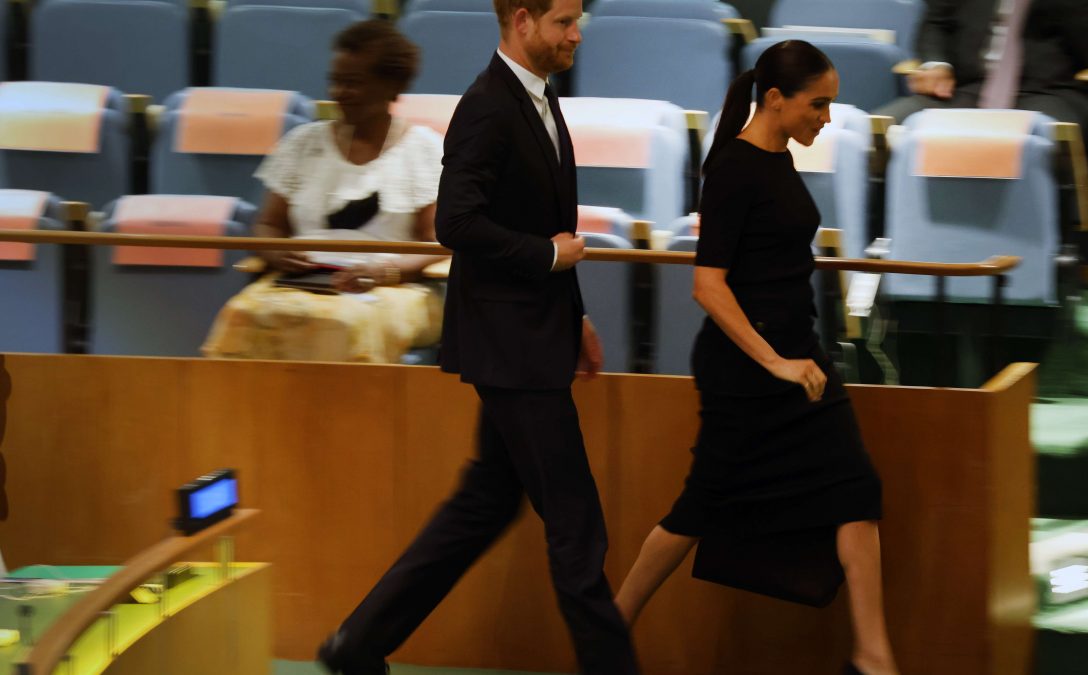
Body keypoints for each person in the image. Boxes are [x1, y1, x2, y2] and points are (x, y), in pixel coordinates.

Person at [315, 0, 639, 672]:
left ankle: (357, 644)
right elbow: (456, 225)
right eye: (564, 21)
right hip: (511, 347)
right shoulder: (488, 105)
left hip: (532, 336)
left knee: (484, 504)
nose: (577, 33)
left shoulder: (539, 99)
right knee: (576, 526)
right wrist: (548, 261)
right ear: (522, 21)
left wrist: (572, 313)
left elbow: (550, 224)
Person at [613, 41, 899, 675]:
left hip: (801, 358)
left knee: (856, 490)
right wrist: (774, 363)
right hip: (749, 372)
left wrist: (794, 357)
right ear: (775, 99)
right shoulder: (737, 170)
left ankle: (874, 659)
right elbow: (707, 284)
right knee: (700, 506)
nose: (826, 118)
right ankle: (609, 630)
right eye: (817, 104)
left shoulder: (775, 161)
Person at [202, 20, 446, 364]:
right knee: (240, 315)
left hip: (393, 287)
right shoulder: (301, 143)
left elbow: (437, 241)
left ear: (392, 87)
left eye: (354, 83)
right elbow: (268, 225)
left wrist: (385, 273)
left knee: (342, 323)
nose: (339, 93)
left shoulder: (425, 149)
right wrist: (275, 254)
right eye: (336, 81)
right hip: (305, 281)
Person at [875, 0, 1088, 146]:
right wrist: (936, 64)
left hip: (1047, 92)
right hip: (965, 89)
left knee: (1033, 144)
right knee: (878, 130)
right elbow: (937, 22)